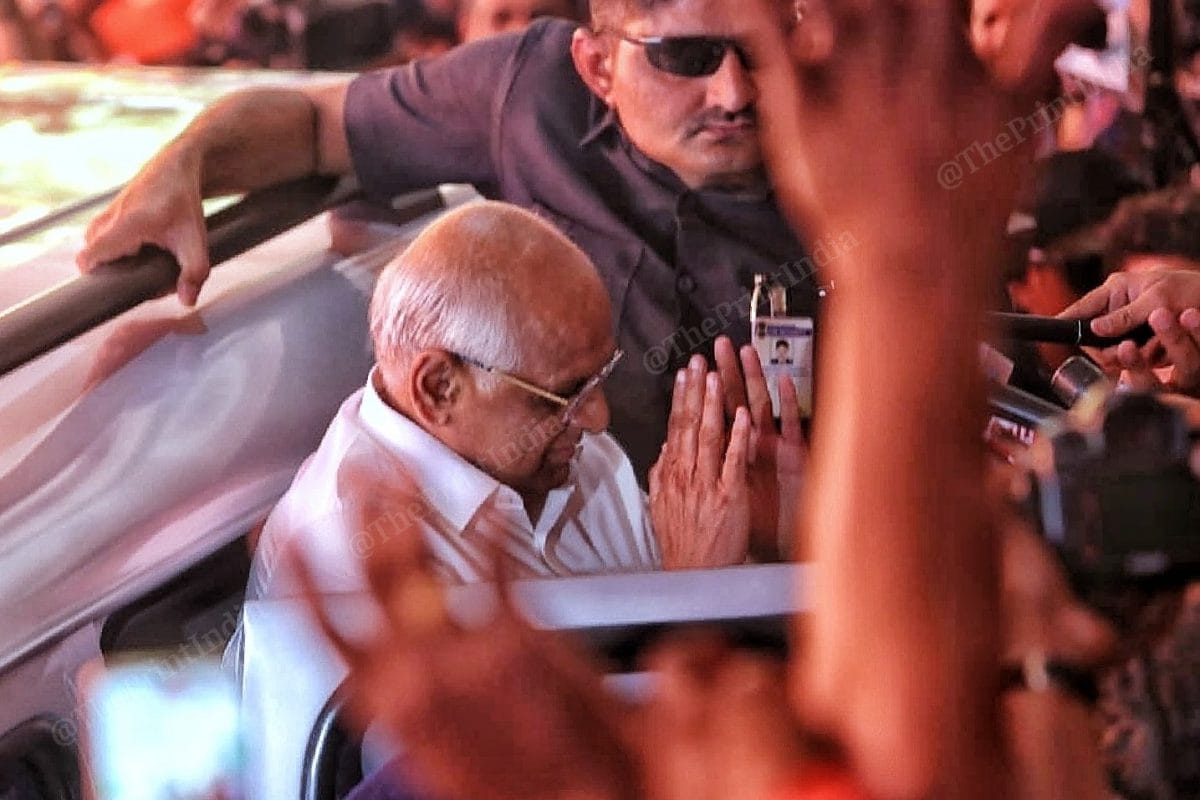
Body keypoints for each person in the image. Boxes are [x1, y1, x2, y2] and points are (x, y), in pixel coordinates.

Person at [74, 0, 817, 481]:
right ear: (597, 67)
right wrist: (187, 162)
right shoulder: (527, 93)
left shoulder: (860, 136)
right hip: (571, 564)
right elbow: (318, 124)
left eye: (759, 51)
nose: (735, 93)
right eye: (685, 58)